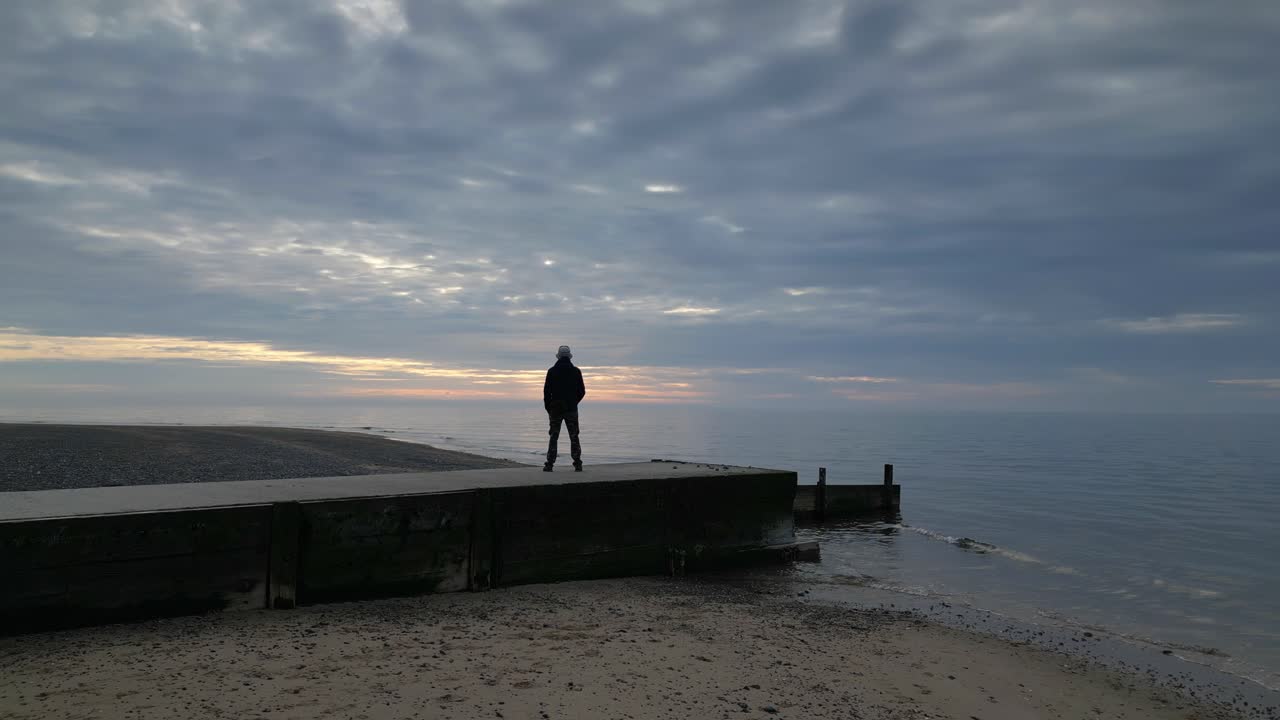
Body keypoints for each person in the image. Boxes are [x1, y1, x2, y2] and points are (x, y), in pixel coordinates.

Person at [543, 344, 585, 471]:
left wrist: (549, 408)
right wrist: (573, 402)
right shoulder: (576, 371)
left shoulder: (552, 371)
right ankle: (577, 463)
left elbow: (546, 392)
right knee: (574, 436)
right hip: (571, 409)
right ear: (569, 356)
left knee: (553, 436)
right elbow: (582, 391)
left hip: (555, 409)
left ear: (559, 356)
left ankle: (549, 464)